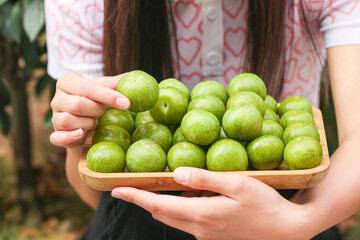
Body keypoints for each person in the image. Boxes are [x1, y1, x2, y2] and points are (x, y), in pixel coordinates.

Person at [46, 0, 360, 239]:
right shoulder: (83, 6)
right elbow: (94, 191)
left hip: (290, 209)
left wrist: (301, 221)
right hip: (142, 219)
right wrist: (78, 139)